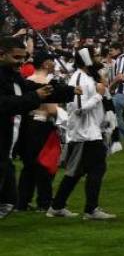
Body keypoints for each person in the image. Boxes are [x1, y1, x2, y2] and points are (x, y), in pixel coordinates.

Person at [47, 47, 115, 220]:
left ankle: (57, 206)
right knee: (97, 168)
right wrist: (98, 96)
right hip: (85, 133)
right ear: (88, 59)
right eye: (96, 55)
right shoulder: (78, 78)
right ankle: (90, 209)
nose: (100, 58)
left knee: (76, 172)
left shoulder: (87, 77)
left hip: (90, 131)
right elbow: (78, 109)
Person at [1, 34, 57, 221]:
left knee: (10, 197)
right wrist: (37, 97)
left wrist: (68, 91)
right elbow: (8, 103)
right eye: (17, 58)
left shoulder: (16, 77)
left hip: (12, 139)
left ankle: (24, 202)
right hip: (28, 131)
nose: (22, 62)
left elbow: (26, 93)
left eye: (23, 58)